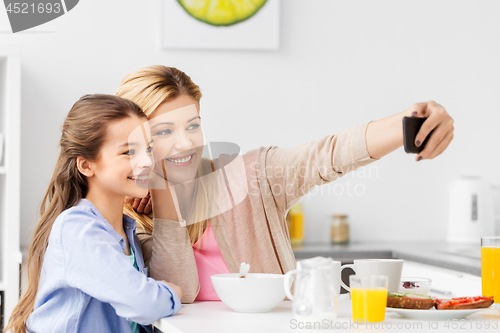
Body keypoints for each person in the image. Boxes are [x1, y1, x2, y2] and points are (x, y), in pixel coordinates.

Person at [117, 65, 454, 304]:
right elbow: (180, 289)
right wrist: (164, 196)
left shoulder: (248, 177)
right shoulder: (126, 217)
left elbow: (328, 155)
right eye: (163, 132)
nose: (184, 144)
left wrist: (411, 122)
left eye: (192, 126)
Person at [5, 95, 182, 333]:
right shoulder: (78, 228)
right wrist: (172, 292)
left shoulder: (127, 230)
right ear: (86, 165)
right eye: (129, 152)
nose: (147, 161)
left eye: (148, 149)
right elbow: (145, 303)